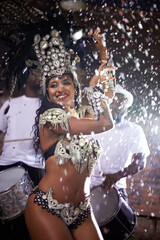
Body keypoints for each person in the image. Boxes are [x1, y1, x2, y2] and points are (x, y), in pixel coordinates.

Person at [24, 27, 116, 240]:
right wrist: (94, 89)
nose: (59, 88)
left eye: (65, 82)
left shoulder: (82, 115)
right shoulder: (51, 120)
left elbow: (108, 96)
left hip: (81, 210)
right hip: (47, 207)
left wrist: (103, 53)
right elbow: (105, 122)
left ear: (75, 86)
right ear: (47, 92)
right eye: (53, 85)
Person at [0, 70, 45, 240]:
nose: (38, 76)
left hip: (35, 167)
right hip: (7, 163)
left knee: (31, 220)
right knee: (5, 220)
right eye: (34, 72)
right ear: (25, 77)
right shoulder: (11, 103)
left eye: (41, 72)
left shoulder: (48, 106)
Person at [90, 83, 150, 201]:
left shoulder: (133, 130)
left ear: (126, 106)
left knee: (125, 219)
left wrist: (116, 176)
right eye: (112, 101)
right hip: (88, 189)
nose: (116, 105)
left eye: (120, 102)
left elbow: (140, 162)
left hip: (117, 190)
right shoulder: (90, 127)